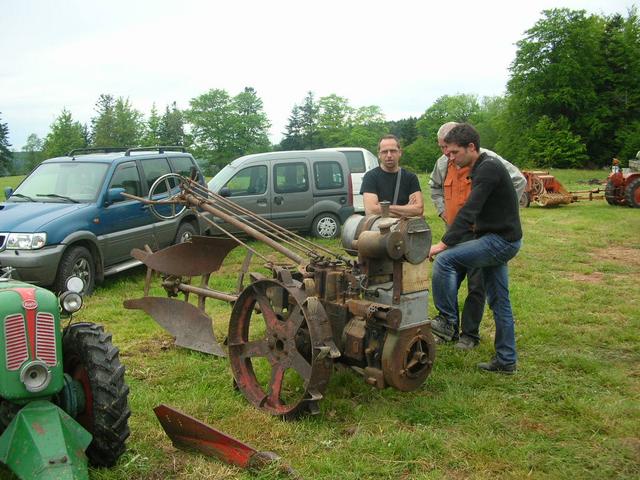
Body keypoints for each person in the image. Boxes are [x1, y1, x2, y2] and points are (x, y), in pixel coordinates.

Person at [429, 123, 522, 374]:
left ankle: (447, 321)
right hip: (498, 239)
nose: (450, 158)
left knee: (445, 261)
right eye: (447, 153)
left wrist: (443, 243)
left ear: (471, 147)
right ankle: (506, 360)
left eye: (454, 153)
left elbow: (470, 210)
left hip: (499, 241)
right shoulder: (481, 167)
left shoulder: (488, 168)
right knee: (500, 302)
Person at [360, 134, 424, 217]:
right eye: (384, 152)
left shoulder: (410, 178)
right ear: (379, 154)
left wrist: (383, 208)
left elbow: (418, 210)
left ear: (400, 152)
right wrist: (406, 209)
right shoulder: (370, 177)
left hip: (405, 229)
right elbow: (371, 211)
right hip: (379, 229)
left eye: (393, 151)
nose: (389, 155)